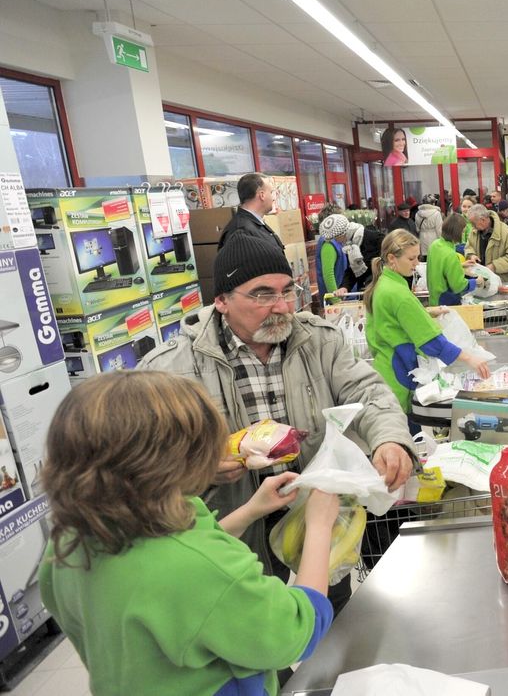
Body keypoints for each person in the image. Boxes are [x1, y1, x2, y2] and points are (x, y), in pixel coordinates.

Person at [139, 232, 417, 611]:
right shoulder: (172, 369)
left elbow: (368, 392)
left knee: (331, 614)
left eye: (287, 291)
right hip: (235, 528)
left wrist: (389, 440)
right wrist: (197, 468)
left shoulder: (318, 341)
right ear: (222, 301)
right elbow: (143, 467)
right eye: (261, 294)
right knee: (253, 632)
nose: (282, 306)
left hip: (316, 515)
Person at [39, 370, 343, 696]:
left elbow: (164, 569)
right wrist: (319, 527)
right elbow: (297, 631)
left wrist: (251, 510)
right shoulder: (197, 571)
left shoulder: (67, 545)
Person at [365, 230, 490, 413]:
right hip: (400, 373)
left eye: (417, 257)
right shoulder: (398, 294)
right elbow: (431, 342)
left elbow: (393, 319)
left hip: (386, 368)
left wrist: (425, 311)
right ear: (392, 258)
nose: (416, 264)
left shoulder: (384, 283)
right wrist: (470, 358)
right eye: (411, 259)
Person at [218, 173, 284, 251]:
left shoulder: (253, 224)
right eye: (271, 192)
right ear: (262, 195)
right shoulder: (240, 232)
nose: (273, 198)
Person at [425, 214, 477, 307]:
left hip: (434, 298)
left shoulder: (435, 245)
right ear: (457, 232)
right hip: (447, 301)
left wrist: (460, 265)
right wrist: (476, 282)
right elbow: (458, 286)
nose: (463, 235)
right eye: (463, 232)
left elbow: (440, 267)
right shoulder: (450, 254)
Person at [465, 203, 508, 282]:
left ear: (483, 219)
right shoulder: (474, 232)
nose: (472, 226)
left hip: (503, 282)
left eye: (473, 223)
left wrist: (494, 266)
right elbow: (469, 247)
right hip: (482, 281)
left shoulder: (505, 232)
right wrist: (471, 255)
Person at [317, 214, 352, 303]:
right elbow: (328, 274)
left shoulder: (337, 241)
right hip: (337, 300)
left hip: (343, 295)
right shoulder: (329, 243)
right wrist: (336, 301)